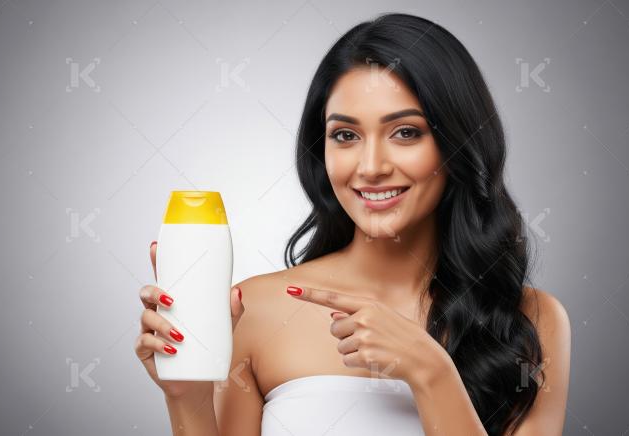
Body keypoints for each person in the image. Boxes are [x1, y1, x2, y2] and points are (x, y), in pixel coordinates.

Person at [135, 12, 571, 436]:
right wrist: (186, 399)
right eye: (346, 136)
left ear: (458, 143)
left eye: (405, 132)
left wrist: (430, 371)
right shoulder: (252, 310)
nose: (371, 167)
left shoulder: (530, 319)